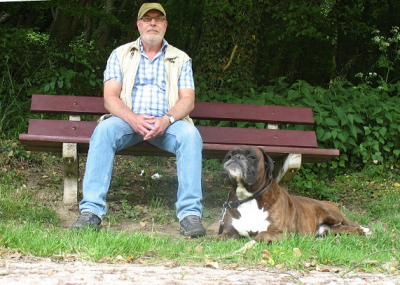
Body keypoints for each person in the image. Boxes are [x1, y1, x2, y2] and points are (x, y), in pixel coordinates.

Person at [71, 3, 206, 238]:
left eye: (158, 18)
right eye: (147, 18)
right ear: (138, 24)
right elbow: (110, 97)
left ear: (165, 25)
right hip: (127, 120)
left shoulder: (181, 58)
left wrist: (167, 119)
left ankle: (190, 215)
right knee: (103, 131)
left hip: (169, 124)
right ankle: (91, 211)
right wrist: (132, 118)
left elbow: (188, 100)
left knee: (191, 135)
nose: (152, 23)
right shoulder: (120, 54)